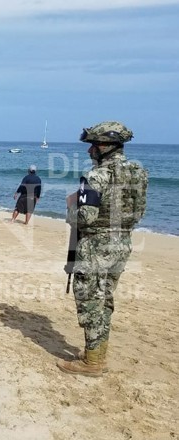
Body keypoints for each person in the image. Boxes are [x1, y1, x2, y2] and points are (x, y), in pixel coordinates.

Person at [56, 121, 147, 377]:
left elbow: (84, 217)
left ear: (105, 146)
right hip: (122, 243)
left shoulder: (97, 177)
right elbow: (139, 211)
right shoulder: (138, 172)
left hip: (96, 245)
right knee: (104, 298)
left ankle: (93, 363)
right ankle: (96, 352)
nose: (89, 152)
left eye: (93, 146)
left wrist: (70, 206)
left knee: (90, 301)